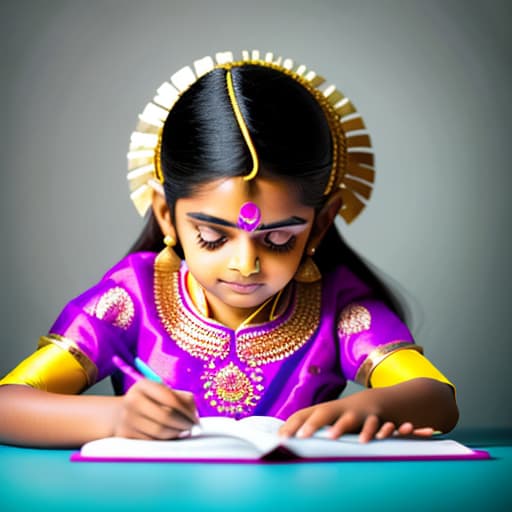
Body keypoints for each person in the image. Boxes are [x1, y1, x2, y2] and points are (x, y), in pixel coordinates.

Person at [0, 50, 458, 447]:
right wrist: (116, 418)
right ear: (165, 214)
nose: (245, 264)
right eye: (213, 237)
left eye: (279, 238)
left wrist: (375, 406)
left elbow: (438, 398)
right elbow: (8, 404)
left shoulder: (338, 307)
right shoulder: (130, 298)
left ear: (320, 224)